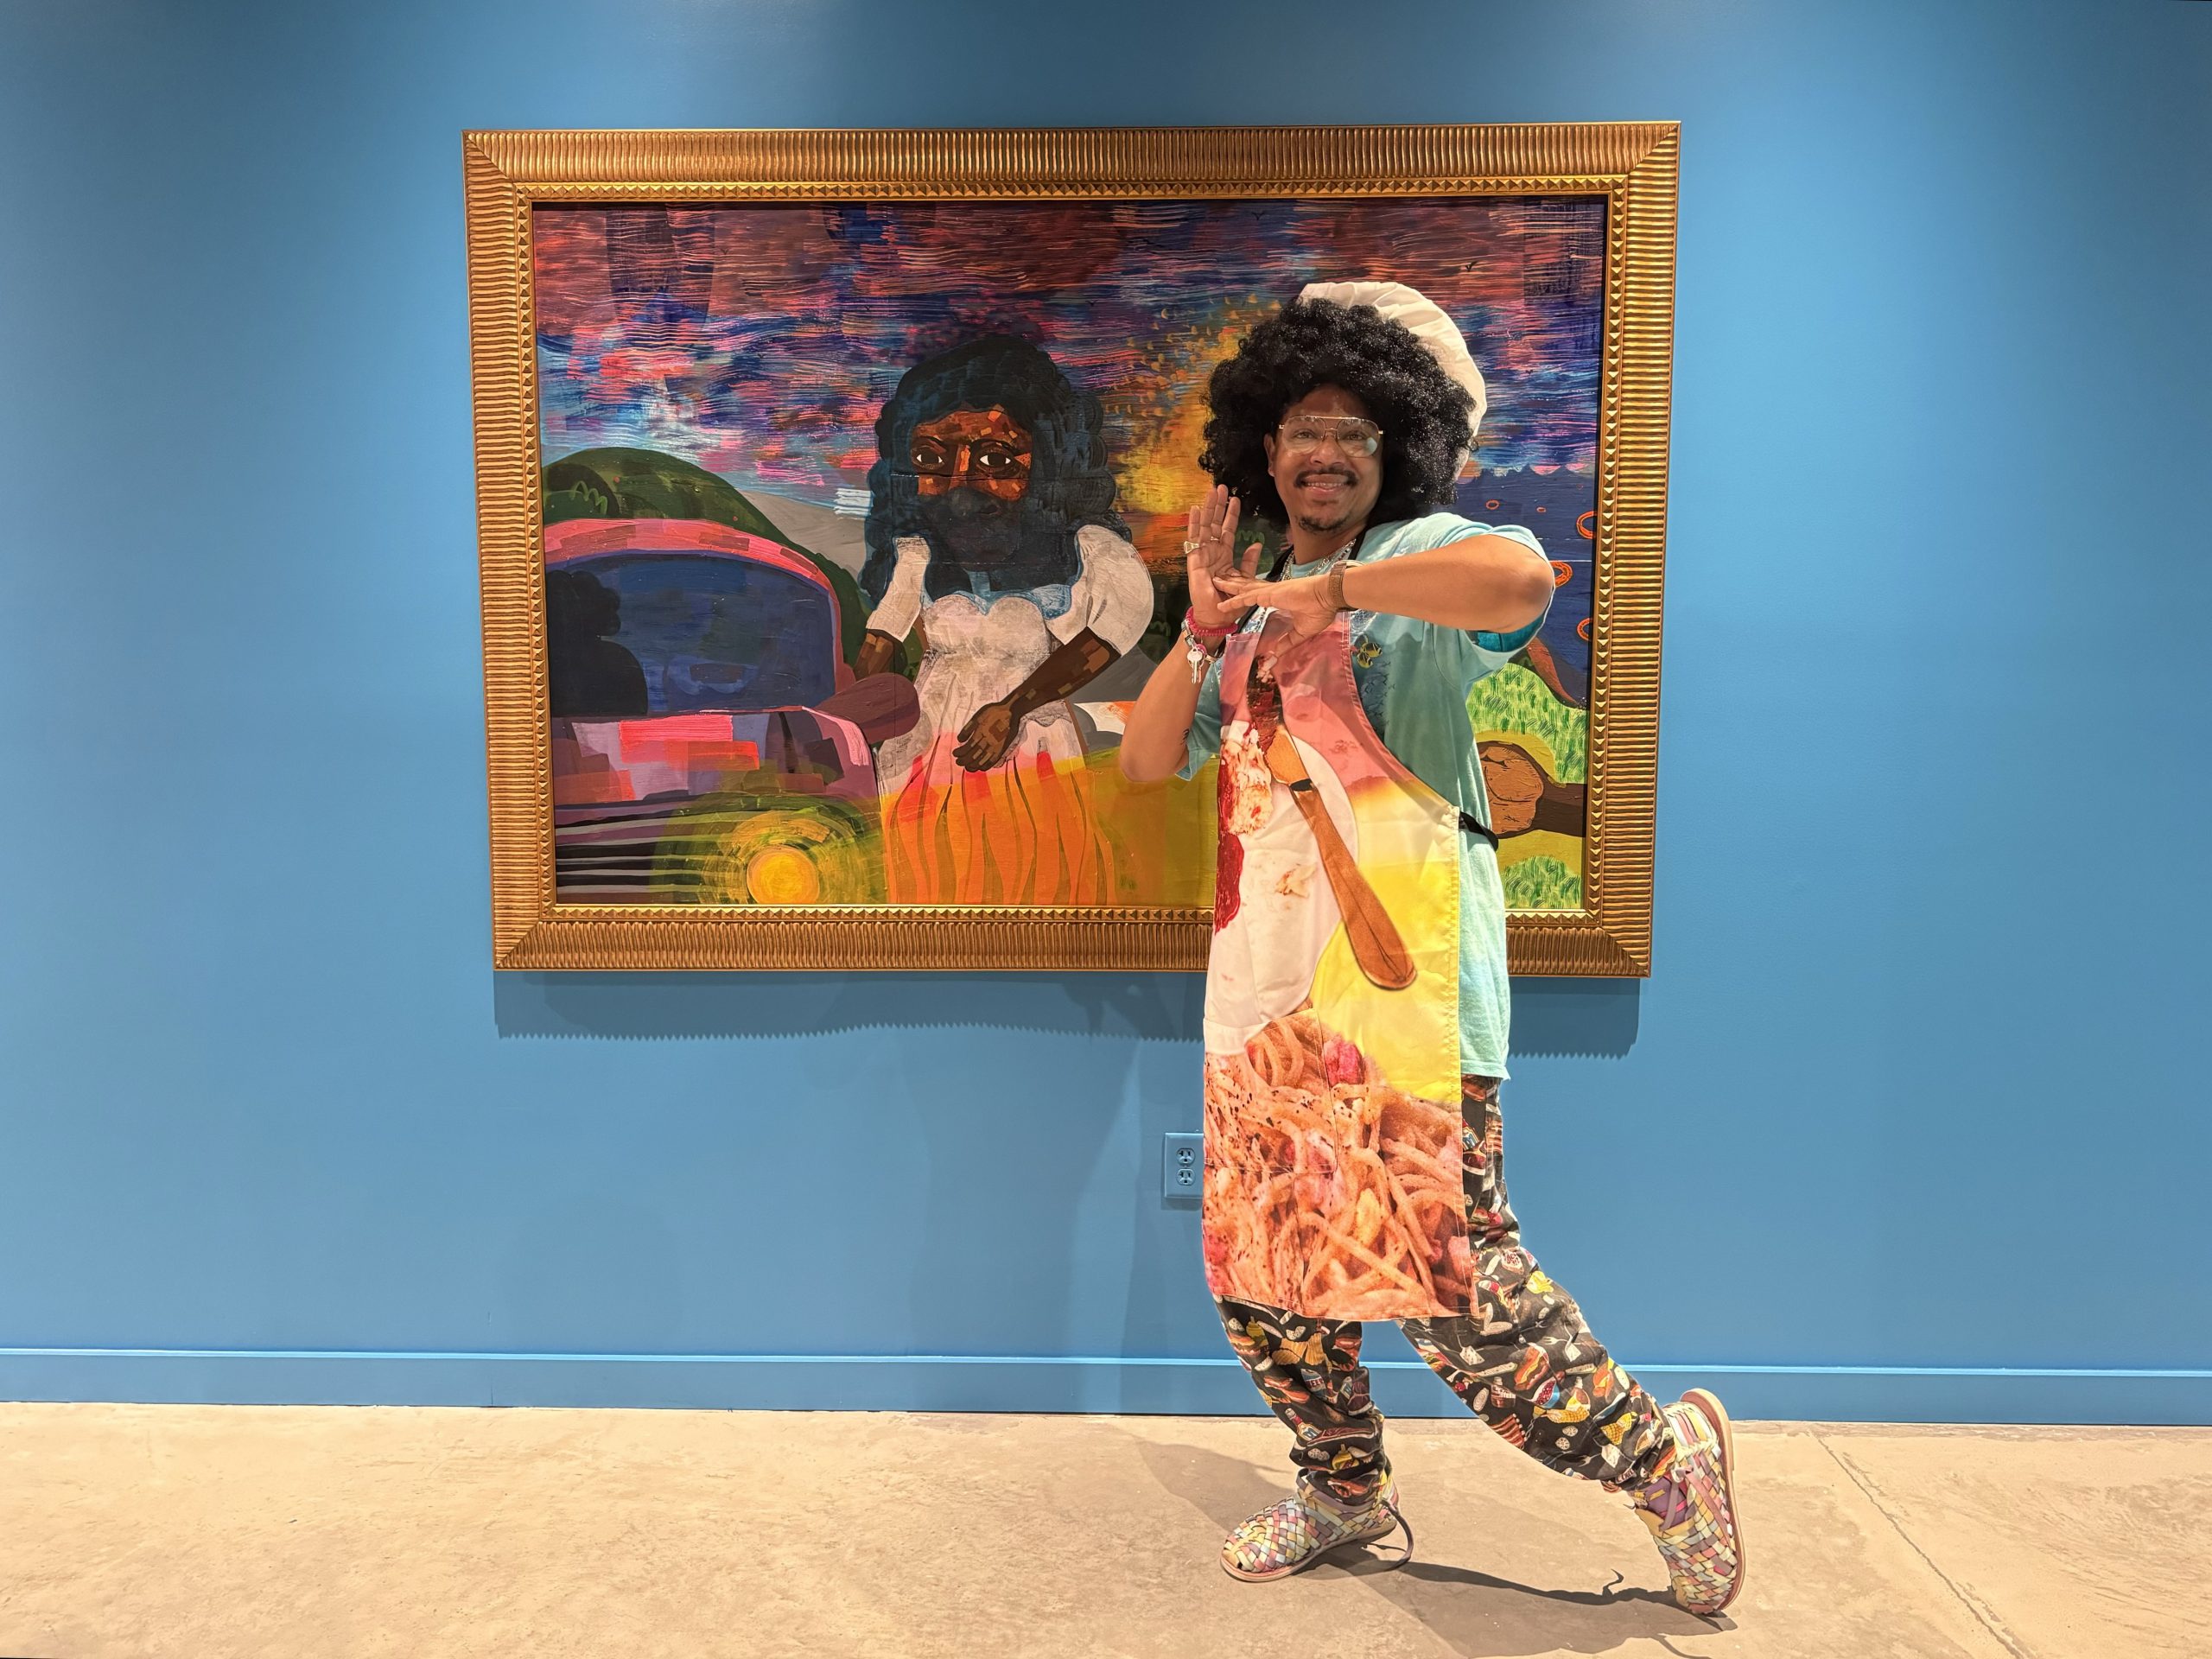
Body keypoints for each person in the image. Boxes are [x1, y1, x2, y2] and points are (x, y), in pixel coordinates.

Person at [1118, 286, 1745, 1615]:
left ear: (1394, 444)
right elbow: (1140, 757)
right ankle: (1342, 1487)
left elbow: (1524, 580)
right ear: (1263, 449)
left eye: (1352, 428)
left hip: (1408, 996)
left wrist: (1325, 589)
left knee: (1456, 1290)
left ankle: (1663, 1458)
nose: (1324, 450)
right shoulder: (1238, 600)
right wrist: (1205, 622)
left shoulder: (1432, 557)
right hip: (1267, 994)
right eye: (1300, 428)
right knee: (1270, 1273)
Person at [855, 334, 1153, 904]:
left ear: (1048, 458)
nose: (961, 482)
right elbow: (881, 641)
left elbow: (1105, 638)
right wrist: (846, 722)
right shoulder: (917, 553)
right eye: (932, 460)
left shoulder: (1088, 552)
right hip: (924, 751)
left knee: (1034, 882)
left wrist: (1012, 709)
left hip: (1032, 746)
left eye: (995, 458)